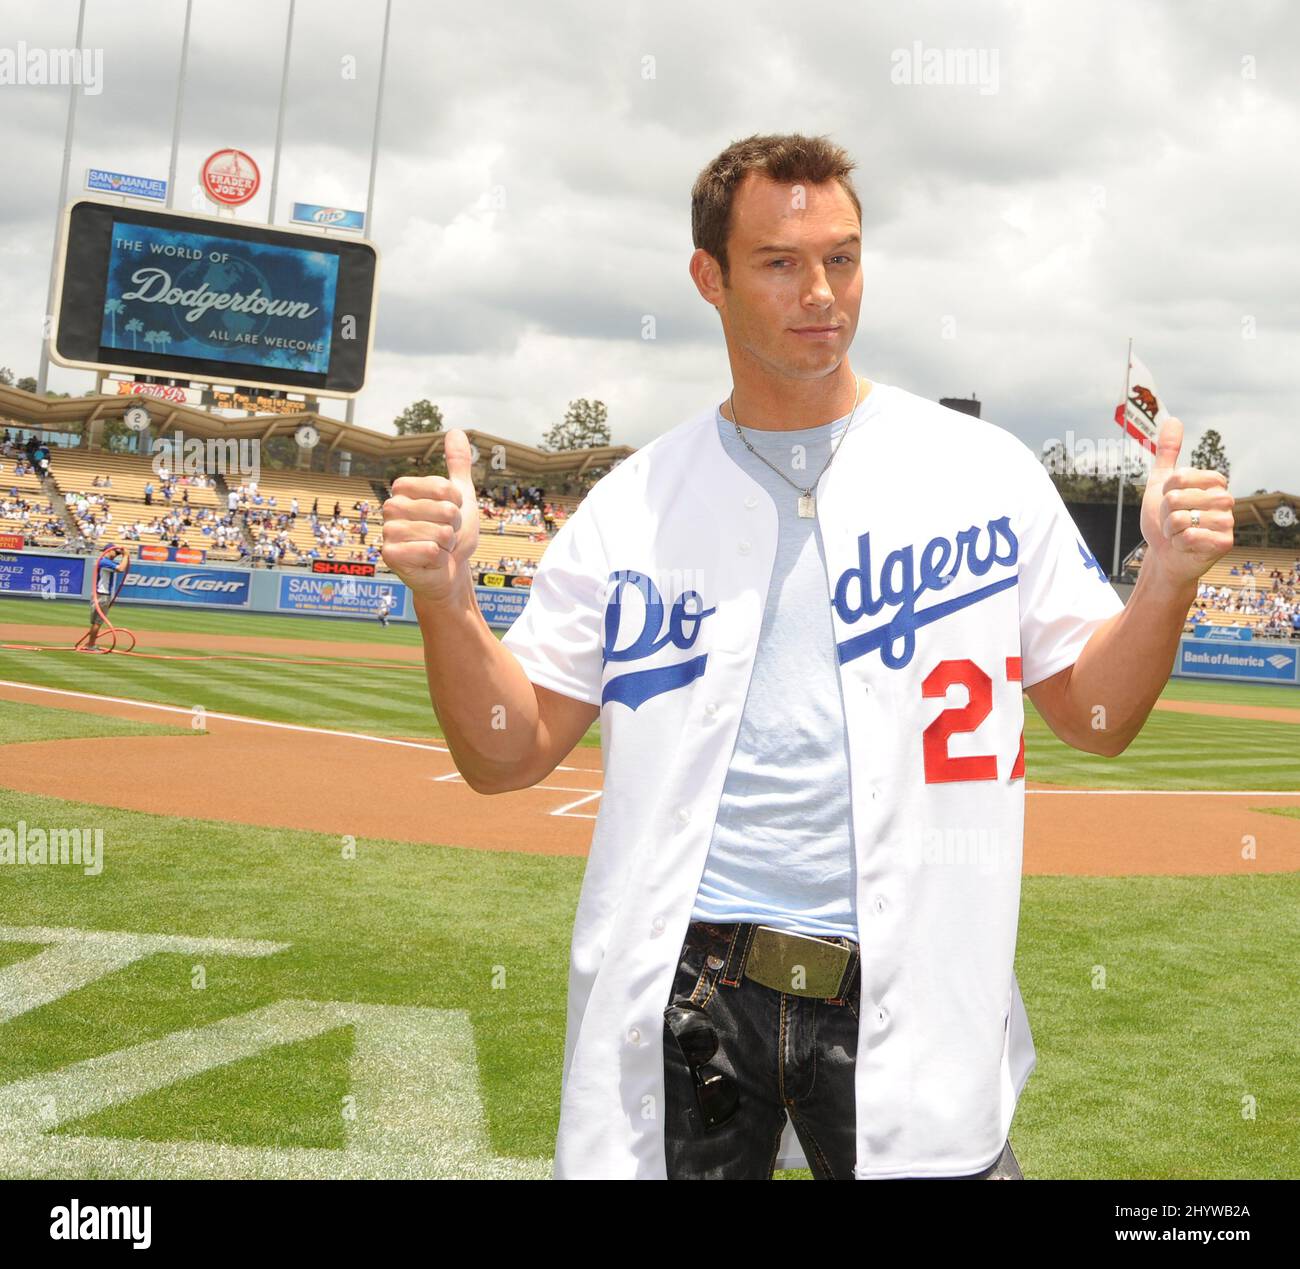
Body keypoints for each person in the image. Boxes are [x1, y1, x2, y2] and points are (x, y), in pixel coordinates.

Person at [380, 132, 1236, 1181]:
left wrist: (1166, 580)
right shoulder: (635, 503)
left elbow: (1096, 723)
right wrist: (445, 602)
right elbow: (502, 757)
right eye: (781, 263)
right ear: (710, 278)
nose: (821, 291)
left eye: (842, 257)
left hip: (909, 986)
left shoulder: (981, 473)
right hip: (687, 991)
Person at [83, 545, 127, 650]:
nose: (116, 555)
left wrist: (123, 556)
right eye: (115, 553)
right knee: (97, 623)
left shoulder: (105, 562)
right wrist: (126, 556)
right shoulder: (104, 562)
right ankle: (90, 645)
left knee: (96, 623)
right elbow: (121, 569)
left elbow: (120, 567)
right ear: (109, 551)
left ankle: (90, 643)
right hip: (102, 595)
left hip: (100, 595)